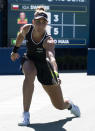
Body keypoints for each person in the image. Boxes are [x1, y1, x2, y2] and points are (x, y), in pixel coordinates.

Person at [11, 6, 80, 126]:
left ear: (46, 24)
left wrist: (56, 73)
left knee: (59, 105)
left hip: (45, 66)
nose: (40, 24)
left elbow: (52, 58)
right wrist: (15, 50)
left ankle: (70, 105)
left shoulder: (48, 41)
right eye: (38, 22)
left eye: (43, 22)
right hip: (30, 59)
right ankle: (26, 114)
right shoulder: (27, 29)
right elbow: (20, 36)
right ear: (33, 22)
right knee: (29, 74)